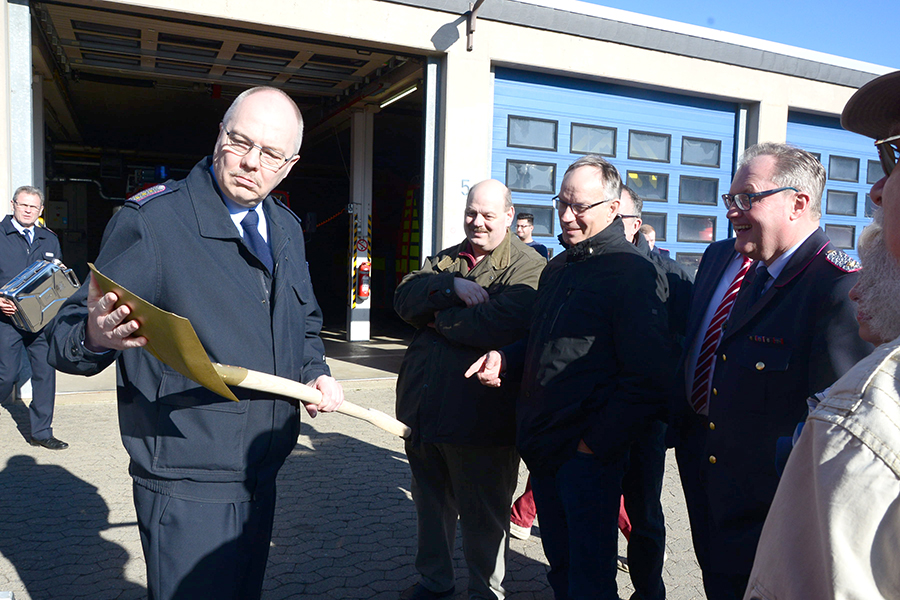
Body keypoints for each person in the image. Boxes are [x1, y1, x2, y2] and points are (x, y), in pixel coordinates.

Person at [48, 86, 344, 600]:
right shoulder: (155, 223)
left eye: (271, 154)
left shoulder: (286, 228)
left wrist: (315, 371)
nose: (251, 162)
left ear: (289, 166)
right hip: (188, 480)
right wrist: (95, 335)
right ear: (219, 135)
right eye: (240, 142)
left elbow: (305, 323)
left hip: (261, 470)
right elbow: (66, 334)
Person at [673, 142, 873, 600]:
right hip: (721, 494)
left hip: (774, 518)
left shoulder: (837, 288)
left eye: (748, 198)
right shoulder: (758, 272)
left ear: (797, 203)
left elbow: (837, 443)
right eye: (731, 199)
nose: (733, 211)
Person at [467, 155, 673, 600]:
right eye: (561, 203)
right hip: (544, 446)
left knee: (589, 580)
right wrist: (506, 357)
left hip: (588, 458)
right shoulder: (559, 267)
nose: (566, 216)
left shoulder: (633, 273)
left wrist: (591, 447)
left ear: (613, 209)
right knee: (561, 570)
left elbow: (648, 377)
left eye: (579, 207)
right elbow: (543, 340)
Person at [743, 69, 900, 600]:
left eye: (896, 155)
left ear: (797, 203)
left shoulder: (870, 413)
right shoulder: (742, 269)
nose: (876, 189)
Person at [394, 179, 545, 600]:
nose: (477, 222)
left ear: (509, 216)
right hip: (424, 410)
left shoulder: (529, 267)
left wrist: (433, 317)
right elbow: (404, 298)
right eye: (471, 213)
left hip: (481, 421)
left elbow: (498, 324)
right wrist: (450, 288)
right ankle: (434, 583)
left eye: (488, 215)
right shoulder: (446, 259)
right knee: (430, 506)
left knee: (484, 518)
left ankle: (485, 591)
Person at [0, 186, 68, 450]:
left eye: (33, 207)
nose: (28, 210)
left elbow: (55, 278)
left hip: (40, 321)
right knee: (6, 376)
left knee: (45, 375)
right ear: (13, 205)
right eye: (23, 205)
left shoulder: (48, 239)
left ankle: (41, 432)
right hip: (7, 320)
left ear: (41, 210)